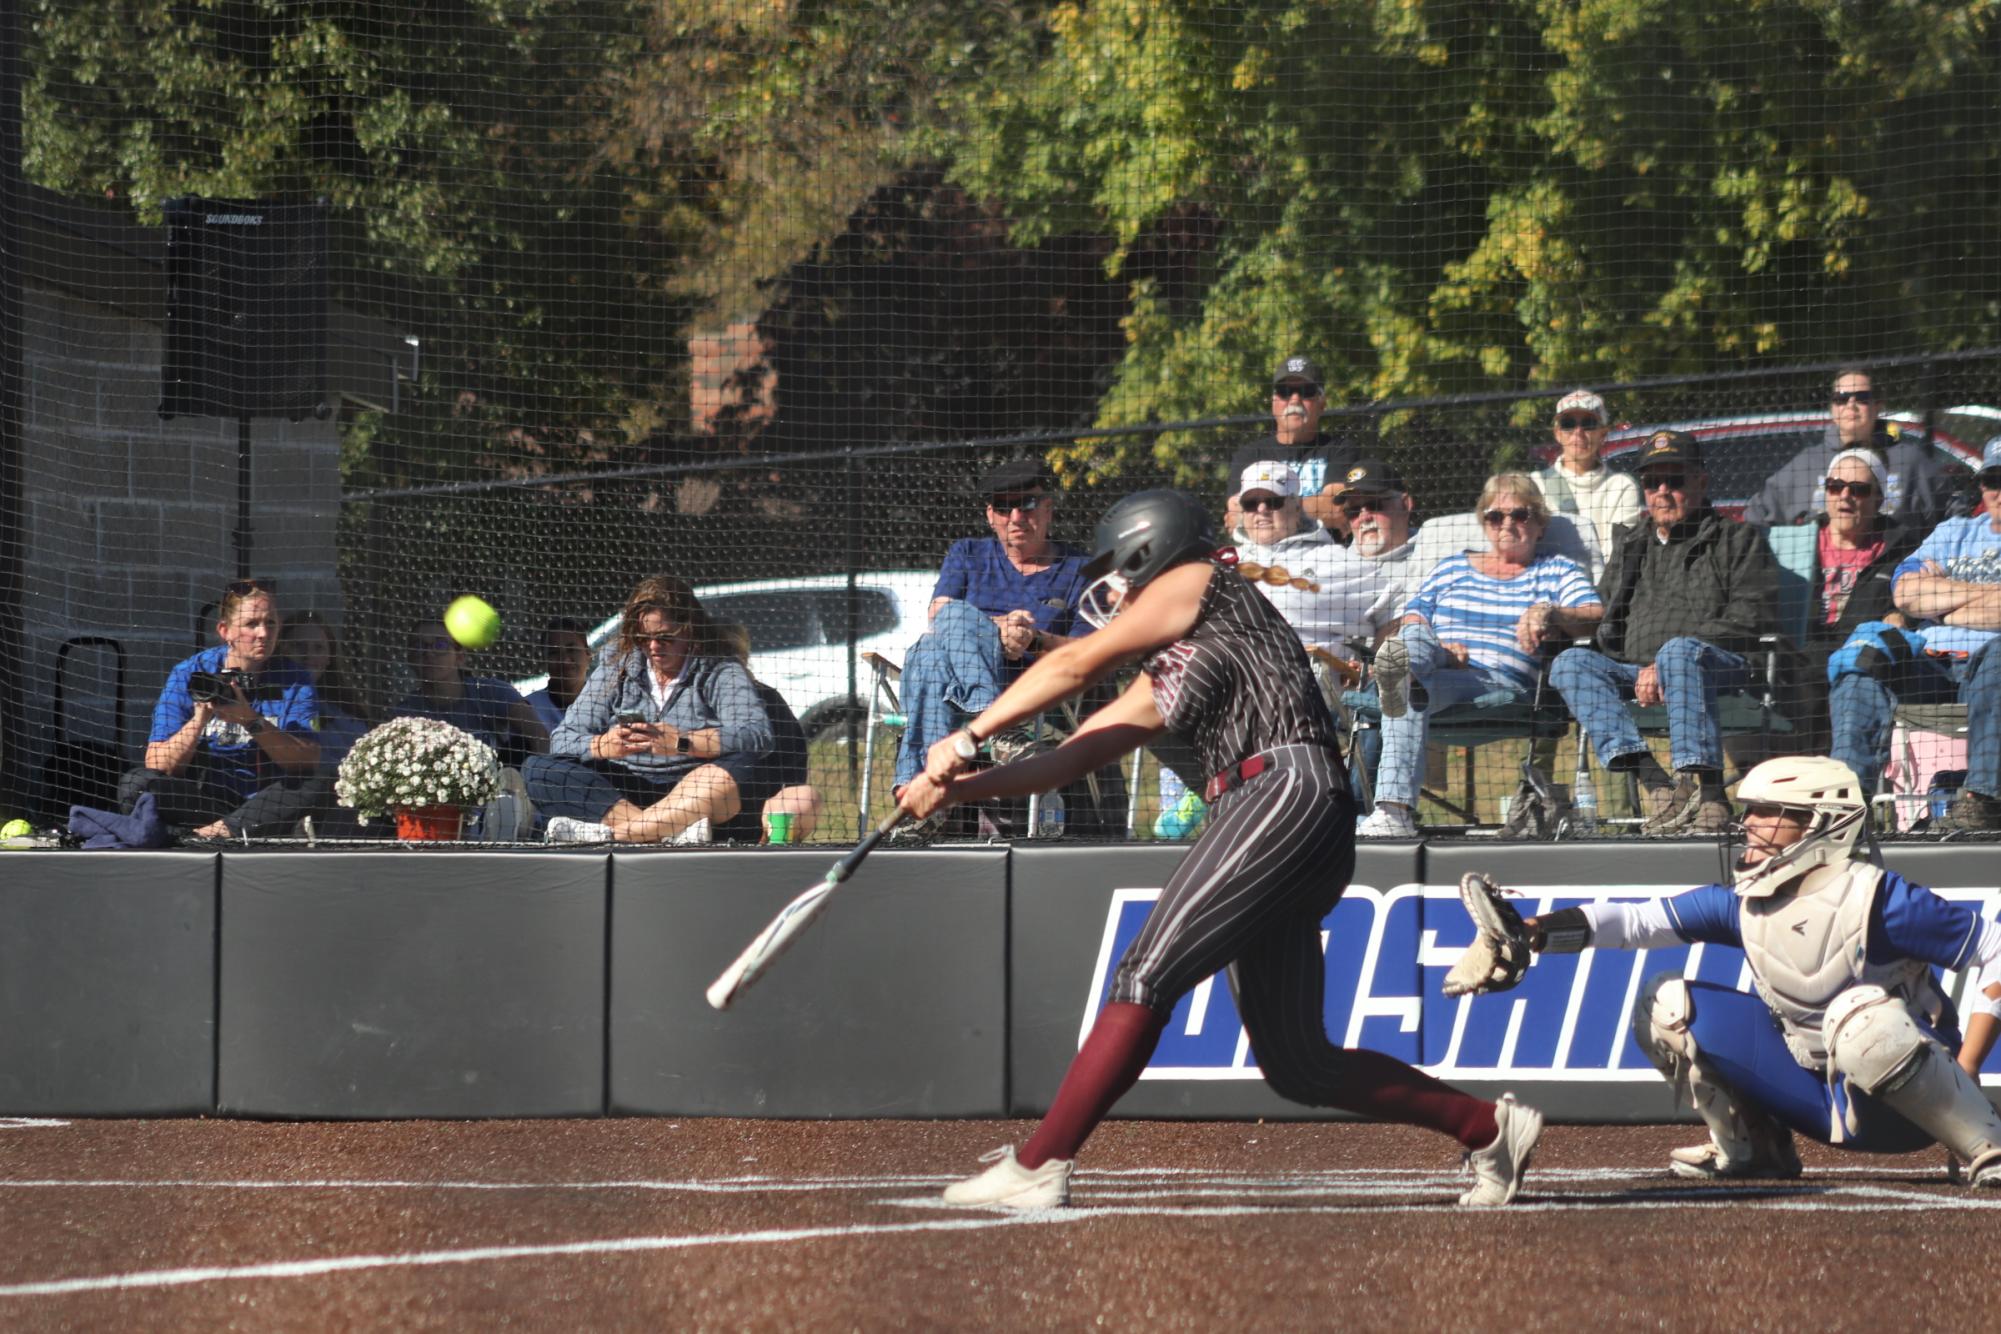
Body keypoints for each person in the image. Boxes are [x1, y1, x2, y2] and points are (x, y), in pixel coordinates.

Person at [902, 489, 1542, 1211]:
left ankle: (1040, 1163)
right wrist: (953, 790)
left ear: (1151, 550)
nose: (1117, 590)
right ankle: (1489, 1128)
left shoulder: (1201, 580)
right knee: (1297, 1064)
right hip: (1279, 813)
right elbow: (1069, 758)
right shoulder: (1180, 655)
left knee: (1144, 974)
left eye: (1122, 572)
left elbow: (1075, 664)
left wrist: (965, 737)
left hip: (1280, 792)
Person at [1500, 756, 2001, 1187]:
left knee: (1858, 1010)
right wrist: (1533, 931)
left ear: (1822, 822)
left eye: (1767, 811)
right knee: (1666, 1002)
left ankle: (1986, 1145)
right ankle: (1753, 1152)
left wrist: (1969, 1066)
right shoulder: (1742, 902)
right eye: (1750, 810)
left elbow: (1996, 948)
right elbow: (1635, 921)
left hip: (1919, 1111)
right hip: (1815, 1095)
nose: (1749, 823)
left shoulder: (1880, 899)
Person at [1550, 430, 1779, 835]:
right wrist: (1555, 617)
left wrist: (1668, 660)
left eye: (1674, 480)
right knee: (1570, 664)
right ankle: (1657, 786)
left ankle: (1709, 793)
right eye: (1652, 482)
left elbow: (1751, 616)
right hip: (1635, 673)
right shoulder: (1633, 544)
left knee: (1678, 652)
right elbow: (1602, 612)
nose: (1661, 491)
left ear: (1701, 483)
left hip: (1722, 669)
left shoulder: (1737, 539)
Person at [1356, 475, 1602, 838]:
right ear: (1483, 522)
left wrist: (1548, 612)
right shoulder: (1453, 566)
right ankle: (1404, 664)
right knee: (1414, 635)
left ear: (1540, 523)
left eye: (1519, 515)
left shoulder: (1555, 571)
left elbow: (1594, 614)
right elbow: (1417, 611)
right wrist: (1443, 651)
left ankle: (1393, 813)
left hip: (1494, 679)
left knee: (1409, 691)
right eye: (1495, 516)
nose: (1507, 524)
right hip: (1437, 658)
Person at [890, 458, 1092, 832]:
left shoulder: (1079, 568)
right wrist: (997, 629)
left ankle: (916, 794)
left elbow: (1087, 649)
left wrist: (1034, 639)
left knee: (929, 653)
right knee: (947, 624)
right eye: (1003, 506)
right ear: (990, 515)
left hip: (1031, 687)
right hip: (961, 688)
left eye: (1027, 504)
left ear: (1047, 508)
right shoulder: (969, 552)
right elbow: (940, 611)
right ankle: (994, 723)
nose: (1016, 516)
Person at [1828, 437, 2001, 831]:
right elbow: (1906, 595)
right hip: (1931, 664)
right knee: (1866, 648)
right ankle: (1849, 805)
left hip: (1992, 666)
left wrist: (1943, 603)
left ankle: (1983, 799)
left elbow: (1925, 600)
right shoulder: (1955, 530)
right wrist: (1988, 597)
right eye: (1992, 480)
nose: (1998, 491)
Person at [526, 575, 773, 844]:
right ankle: (663, 835)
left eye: (665, 638)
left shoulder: (719, 668)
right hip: (624, 791)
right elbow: (562, 739)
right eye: (644, 638)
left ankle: (618, 836)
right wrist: (602, 745)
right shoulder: (616, 665)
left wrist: (681, 743)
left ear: (688, 629)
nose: (653, 647)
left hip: (692, 791)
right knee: (538, 769)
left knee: (740, 768)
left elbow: (756, 734)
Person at [121, 577, 325, 838]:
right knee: (136, 784)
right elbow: (158, 763)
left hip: (267, 801)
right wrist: (199, 720)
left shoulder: (295, 678)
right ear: (225, 631)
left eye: (270, 623)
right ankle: (225, 833)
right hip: (208, 802)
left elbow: (308, 760)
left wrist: (249, 719)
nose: (263, 633)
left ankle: (211, 835)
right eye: (251, 624)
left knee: (324, 780)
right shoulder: (191, 673)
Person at [1766, 448, 1923, 753]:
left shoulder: (1902, 546)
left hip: (1860, 656)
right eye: (1835, 486)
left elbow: (1916, 598)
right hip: (1797, 653)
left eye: (1859, 489)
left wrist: (1898, 614)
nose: (1845, 496)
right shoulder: (1795, 541)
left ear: (1879, 499)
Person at [1743, 366, 1963, 530]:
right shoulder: (1806, 464)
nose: (1851, 404)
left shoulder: (1911, 461)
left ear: (1878, 405)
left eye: (1863, 398)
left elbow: (1955, 517)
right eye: (1841, 398)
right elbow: (1756, 516)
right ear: (1832, 407)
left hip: (1895, 580)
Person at [1228, 355, 1362, 539]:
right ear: (1273, 402)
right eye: (1285, 391)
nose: (1294, 399)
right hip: (1266, 559)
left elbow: (1335, 509)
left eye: (1306, 391)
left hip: (1326, 554)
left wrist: (1270, 509)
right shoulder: (1250, 454)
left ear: (1322, 403)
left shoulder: (1340, 449)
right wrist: (1311, 507)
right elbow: (1236, 513)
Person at [715, 622, 824, 842]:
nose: (727, 664)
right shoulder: (691, 700)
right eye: (718, 654)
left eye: (733, 653)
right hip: (707, 811)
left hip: (758, 818)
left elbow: (794, 771)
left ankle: (772, 852)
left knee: (802, 798)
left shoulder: (768, 699)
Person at [394, 618, 551, 765]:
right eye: (418, 646)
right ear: (409, 658)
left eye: (440, 645)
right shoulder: (405, 714)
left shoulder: (491, 692)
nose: (428, 653)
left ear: (460, 657)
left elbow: (539, 736)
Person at [1529, 389, 1641, 578]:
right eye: (1568, 424)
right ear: (1557, 433)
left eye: (1588, 424)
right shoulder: (1534, 484)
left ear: (1603, 434)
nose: (1578, 432)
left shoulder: (1622, 486)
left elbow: (1617, 554)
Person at [278, 611, 372, 774]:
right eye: (299, 646)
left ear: (329, 657)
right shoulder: (267, 705)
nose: (308, 655)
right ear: (281, 651)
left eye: (318, 648)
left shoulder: (347, 711)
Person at [522, 616, 592, 733]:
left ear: (588, 655)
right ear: (544, 661)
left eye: (571, 650)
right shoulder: (529, 710)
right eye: (554, 653)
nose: (564, 660)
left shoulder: (610, 704)